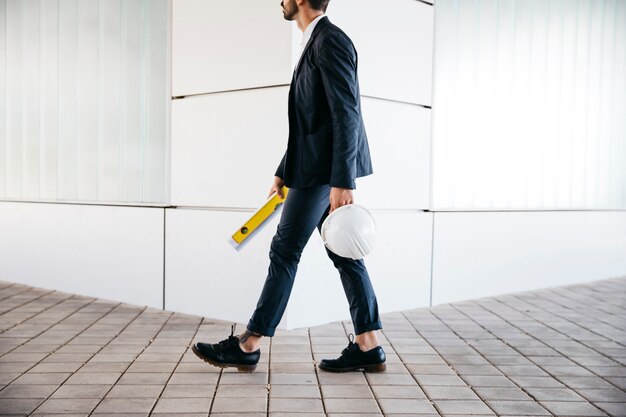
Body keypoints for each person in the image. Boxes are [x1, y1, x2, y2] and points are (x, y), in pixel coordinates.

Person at [192, 0, 385, 373]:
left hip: (323, 174)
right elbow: (309, 122)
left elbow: (346, 113)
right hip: (314, 169)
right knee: (345, 254)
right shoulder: (314, 41)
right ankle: (368, 343)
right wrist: (283, 172)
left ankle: (249, 343)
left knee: (284, 251)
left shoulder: (330, 41)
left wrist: (342, 181)